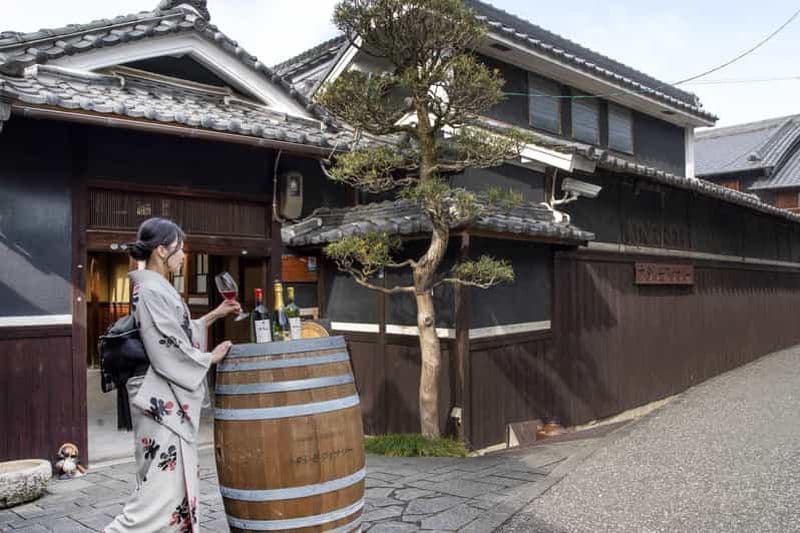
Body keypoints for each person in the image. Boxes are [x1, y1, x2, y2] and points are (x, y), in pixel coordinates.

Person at [105, 218, 240, 533]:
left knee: (171, 486)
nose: (184, 255)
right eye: (181, 248)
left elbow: (175, 333)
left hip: (161, 392)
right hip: (158, 395)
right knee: (157, 492)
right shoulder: (151, 289)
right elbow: (166, 347)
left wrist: (213, 316)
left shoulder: (155, 287)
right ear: (161, 250)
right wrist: (208, 357)